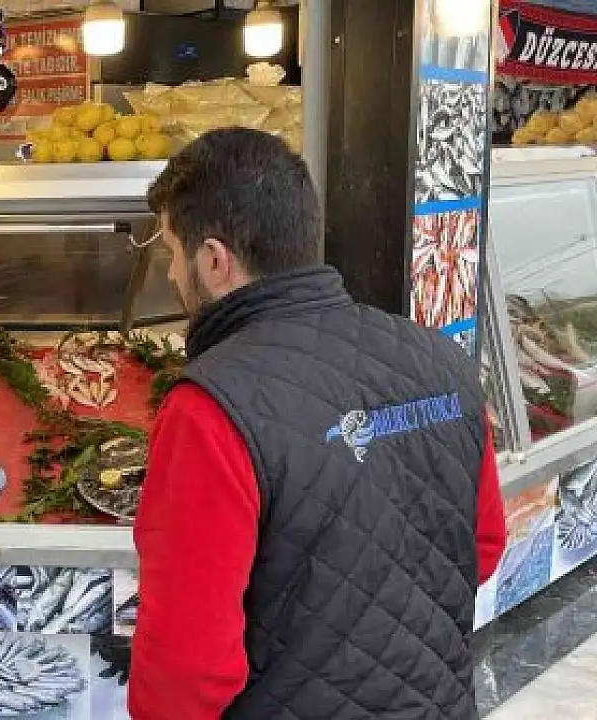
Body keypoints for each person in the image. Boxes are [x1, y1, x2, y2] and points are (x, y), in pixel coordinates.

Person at [129, 128, 506, 720]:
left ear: (214, 260)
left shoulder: (209, 409)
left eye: (173, 253)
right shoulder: (442, 360)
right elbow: (482, 549)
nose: (174, 274)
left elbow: (186, 670)